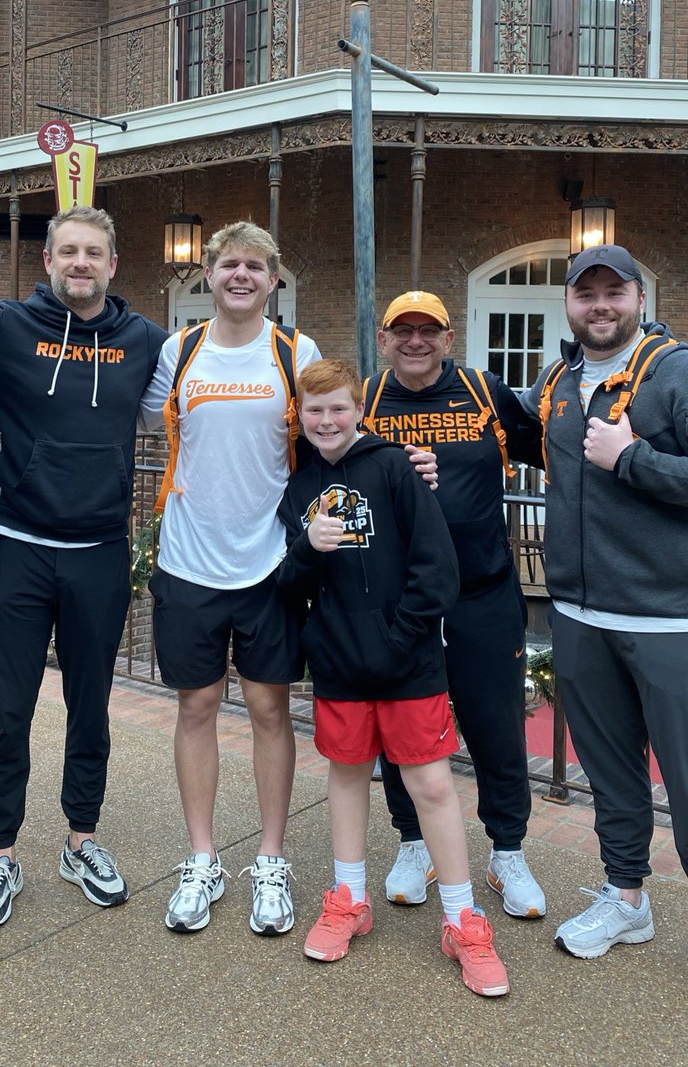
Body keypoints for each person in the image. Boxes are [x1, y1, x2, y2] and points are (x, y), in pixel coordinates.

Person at [140, 221, 438, 937]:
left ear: (274, 280)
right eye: (228, 264)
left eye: (256, 266)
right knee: (196, 709)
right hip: (188, 561)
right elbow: (138, 420)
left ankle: (270, 858)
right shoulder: (177, 351)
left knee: (271, 713)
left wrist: (402, 461)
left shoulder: (291, 350)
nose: (241, 275)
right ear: (207, 274)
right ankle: (203, 855)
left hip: (272, 563)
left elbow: (336, 425)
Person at [519, 243, 688, 1018]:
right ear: (568, 305)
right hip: (583, 614)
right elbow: (496, 421)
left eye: (613, 292)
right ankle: (627, 897)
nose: (600, 306)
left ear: (639, 299)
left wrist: (634, 460)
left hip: (672, 615)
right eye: (585, 294)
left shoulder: (678, 373)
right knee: (613, 772)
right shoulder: (557, 382)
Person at [277, 358, 510, 997]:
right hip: (339, 663)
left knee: (431, 783)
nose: (327, 421)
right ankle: (349, 898)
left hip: (408, 662)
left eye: (339, 408)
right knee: (347, 775)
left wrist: (400, 638)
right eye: (315, 410)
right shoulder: (299, 487)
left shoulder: (396, 468)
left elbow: (437, 569)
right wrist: (308, 548)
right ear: (303, 415)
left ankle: (463, 919)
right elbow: (289, 585)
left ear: (359, 410)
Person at [0, 205, 167, 925]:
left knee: (88, 707)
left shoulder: (146, 342)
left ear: (112, 264)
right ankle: (3, 853)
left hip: (100, 550)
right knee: (6, 710)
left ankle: (81, 839)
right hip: (17, 545)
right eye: (67, 251)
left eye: (92, 253)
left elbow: (208, 403)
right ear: (47, 262)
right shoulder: (8, 329)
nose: (79, 263)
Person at [362, 291, 546, 921]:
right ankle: (414, 844)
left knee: (496, 724)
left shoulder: (483, 391)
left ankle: (507, 851)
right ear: (384, 339)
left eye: (429, 331)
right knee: (402, 730)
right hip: (402, 599)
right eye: (402, 331)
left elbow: (552, 444)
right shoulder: (366, 401)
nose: (416, 341)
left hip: (482, 590)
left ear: (447, 337)